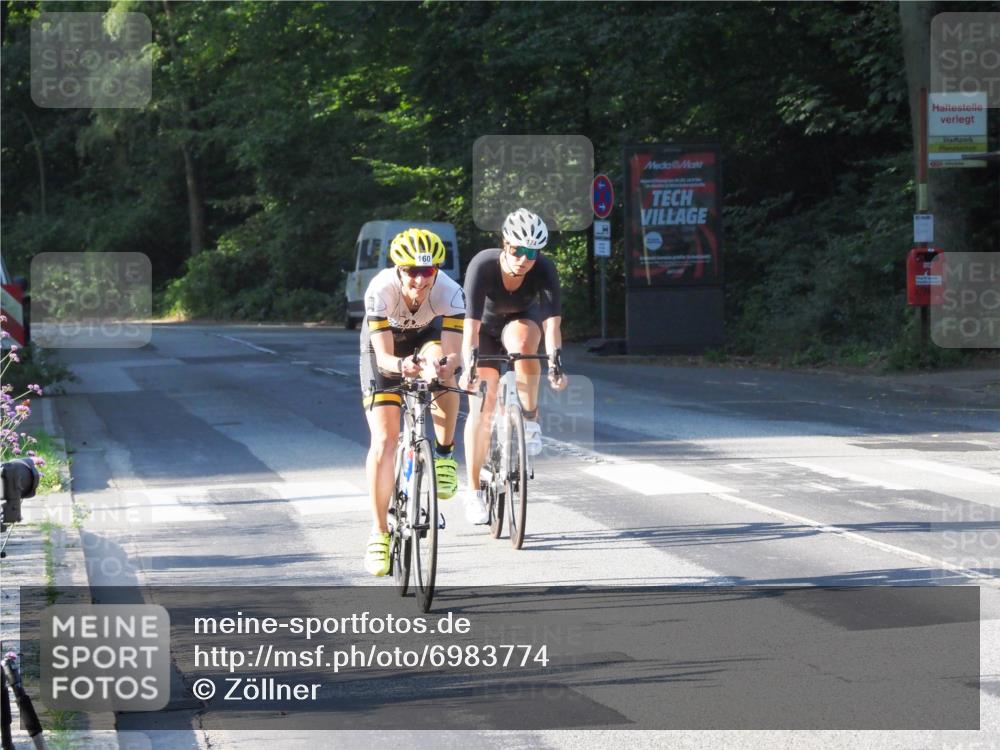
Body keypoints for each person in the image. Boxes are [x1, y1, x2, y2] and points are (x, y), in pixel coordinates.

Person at [360, 228, 465, 576]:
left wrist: (447, 365)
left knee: (443, 371)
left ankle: (445, 454)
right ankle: (379, 533)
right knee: (385, 439)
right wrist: (401, 367)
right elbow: (385, 358)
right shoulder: (380, 290)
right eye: (411, 271)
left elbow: (452, 353)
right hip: (387, 350)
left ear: (436, 270)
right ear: (398, 269)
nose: (420, 280)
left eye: (428, 271)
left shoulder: (451, 293)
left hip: (426, 338)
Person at [459, 208, 568, 525]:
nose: (523, 258)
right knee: (483, 405)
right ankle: (474, 491)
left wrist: (556, 366)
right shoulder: (483, 265)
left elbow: (551, 327)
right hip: (485, 329)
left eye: (531, 252)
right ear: (504, 243)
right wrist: (468, 367)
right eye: (517, 250)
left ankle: (530, 419)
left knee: (524, 346)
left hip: (521, 321)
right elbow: (470, 328)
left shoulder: (544, 268)